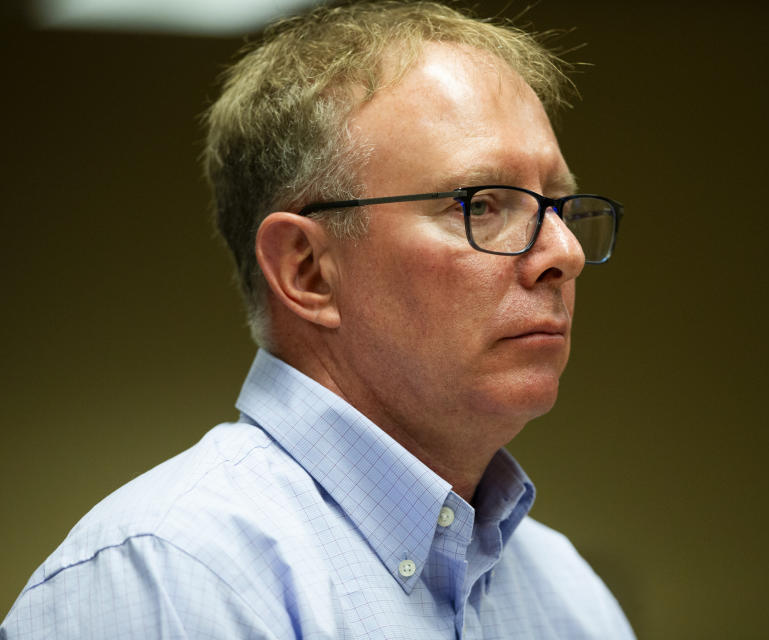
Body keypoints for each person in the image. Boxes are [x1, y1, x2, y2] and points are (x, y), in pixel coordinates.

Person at [1, 1, 631, 638]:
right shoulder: (167, 578)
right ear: (307, 271)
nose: (565, 253)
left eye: (558, 204)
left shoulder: (571, 597)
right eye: (483, 204)